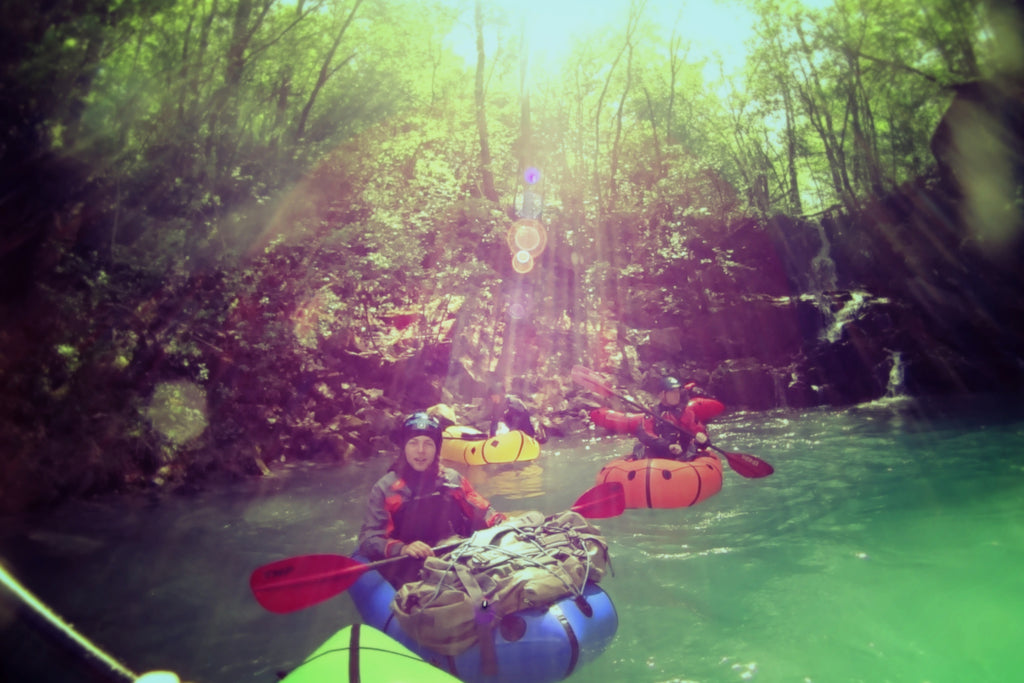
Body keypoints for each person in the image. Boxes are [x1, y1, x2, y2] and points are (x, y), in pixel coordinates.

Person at [357, 412, 507, 587]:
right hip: (409, 563)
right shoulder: (385, 489)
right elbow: (369, 539)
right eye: (413, 443)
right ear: (404, 447)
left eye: (428, 443)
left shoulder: (451, 479)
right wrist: (403, 549)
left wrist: (501, 522)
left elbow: (481, 509)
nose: (421, 450)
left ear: (436, 448)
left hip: (453, 550)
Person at [632, 376, 710, 461]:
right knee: (638, 445)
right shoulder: (652, 412)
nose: (676, 395)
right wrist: (668, 446)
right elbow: (645, 434)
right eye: (672, 392)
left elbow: (699, 430)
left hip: (682, 457)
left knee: (695, 445)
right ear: (662, 394)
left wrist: (704, 439)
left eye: (677, 392)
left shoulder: (686, 412)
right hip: (658, 456)